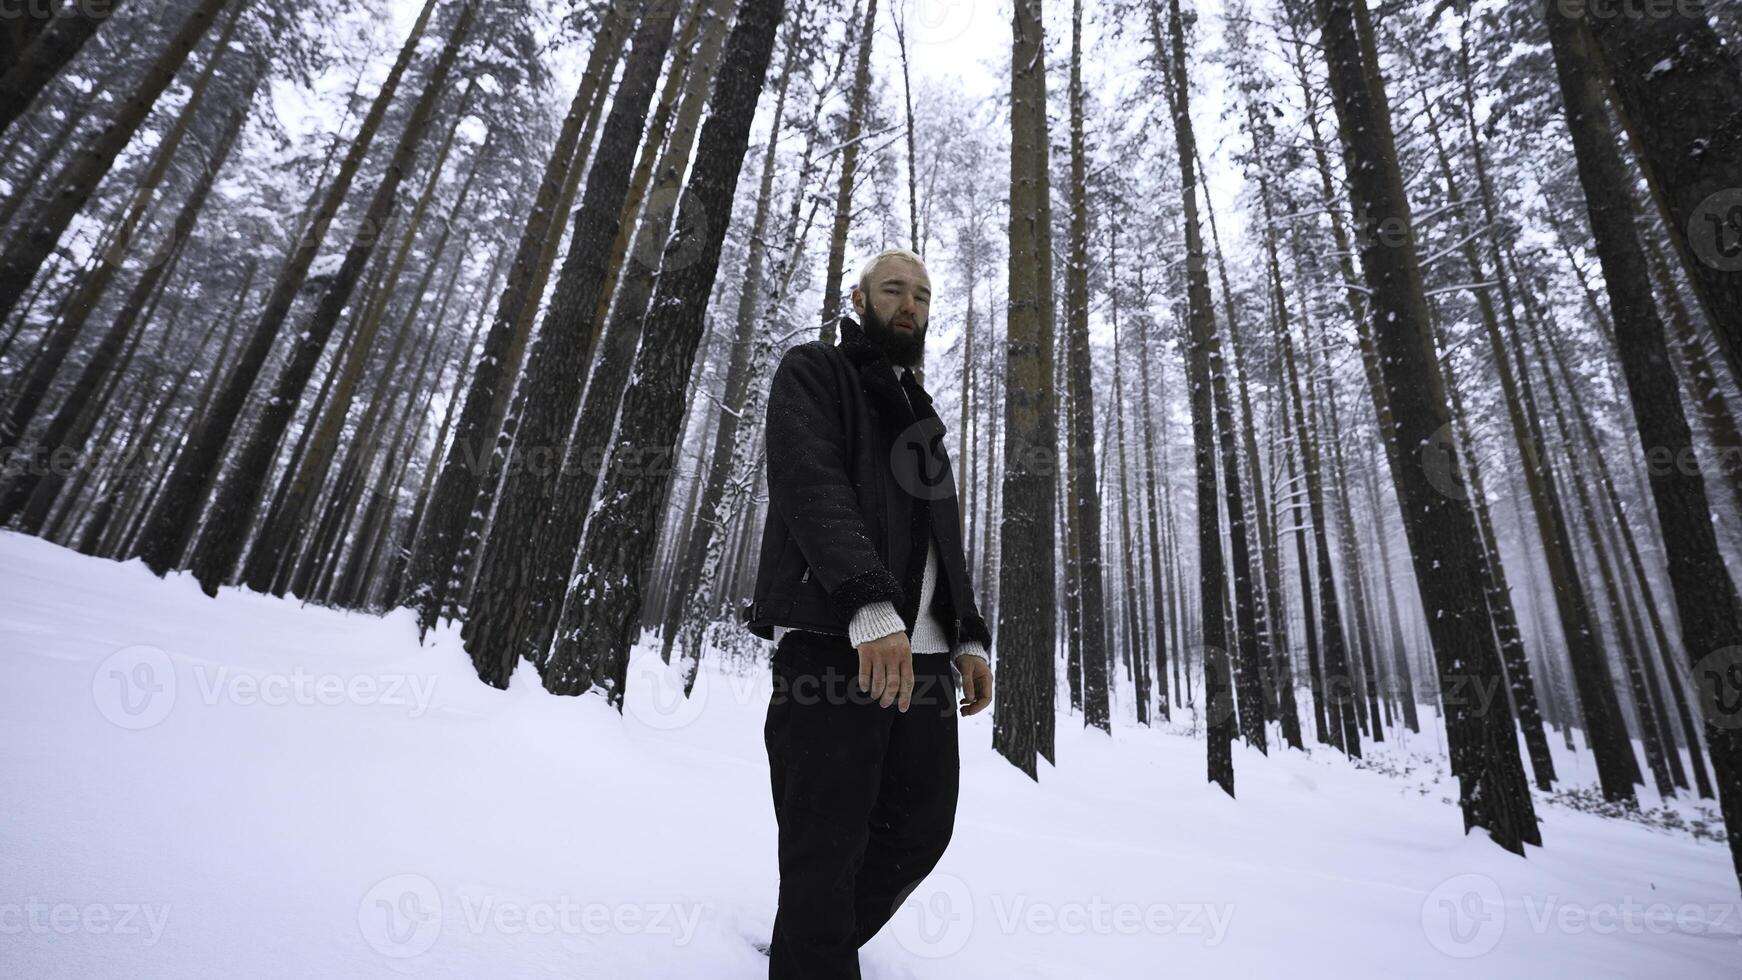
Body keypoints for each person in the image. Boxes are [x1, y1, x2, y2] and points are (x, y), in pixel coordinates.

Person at [742, 246, 995, 978]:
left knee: (919, 829)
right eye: (893, 290)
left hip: (922, 662)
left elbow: (944, 540)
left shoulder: (924, 417)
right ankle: (812, 954)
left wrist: (967, 634)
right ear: (860, 300)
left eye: (920, 294)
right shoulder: (815, 371)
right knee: (826, 840)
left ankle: (808, 946)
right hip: (833, 645)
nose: (909, 304)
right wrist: (867, 604)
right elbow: (808, 480)